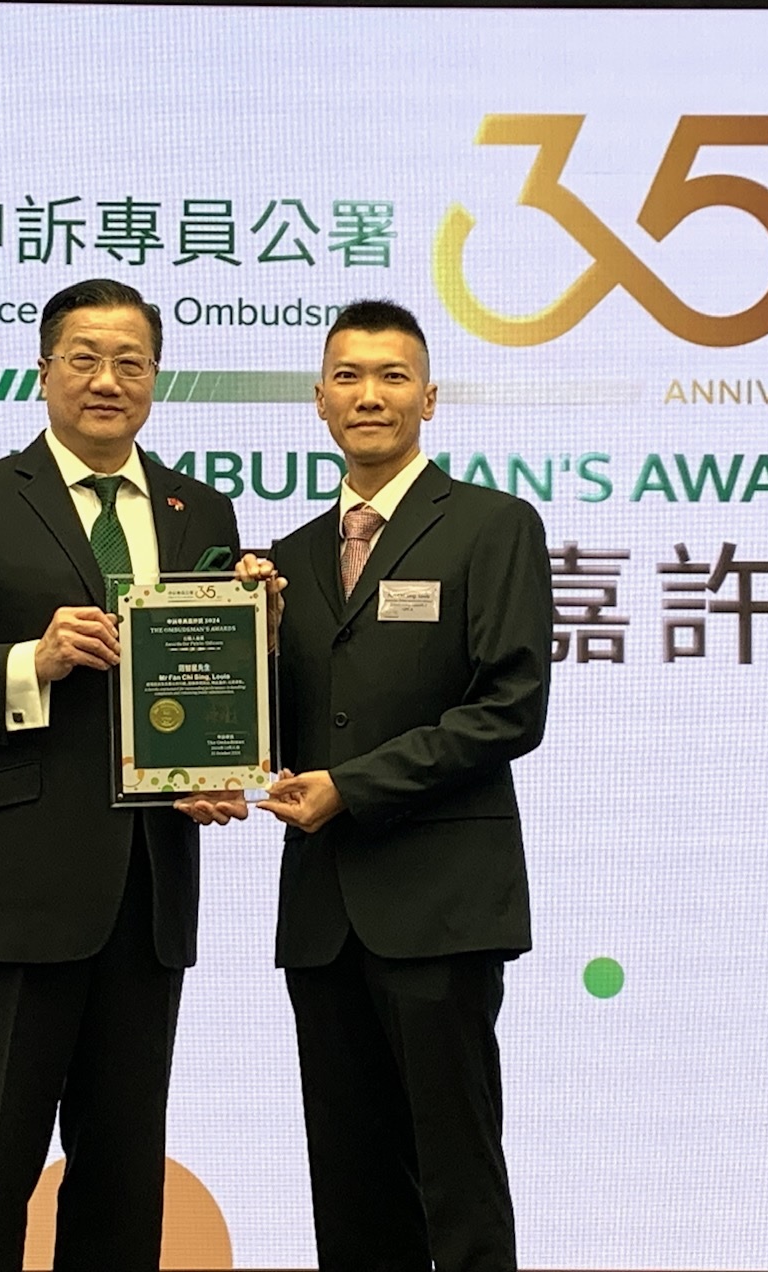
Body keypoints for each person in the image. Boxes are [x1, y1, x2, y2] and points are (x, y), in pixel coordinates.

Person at [0, 278, 241, 1272]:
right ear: (43, 373)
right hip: (14, 892)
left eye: (130, 361)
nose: (106, 380)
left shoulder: (200, 509)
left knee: (123, 1181)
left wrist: (220, 758)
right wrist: (28, 661)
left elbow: (210, 680)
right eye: (84, 358)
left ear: (155, 379)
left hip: (148, 893)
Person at [246, 300, 554, 1272]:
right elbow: (277, 736)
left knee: (455, 1180)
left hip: (440, 908)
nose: (368, 395)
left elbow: (510, 710)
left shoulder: (492, 527)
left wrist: (353, 787)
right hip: (322, 915)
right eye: (347, 376)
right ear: (318, 400)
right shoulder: (286, 561)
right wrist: (252, 660)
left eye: (391, 376)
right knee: (349, 1185)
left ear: (428, 398)